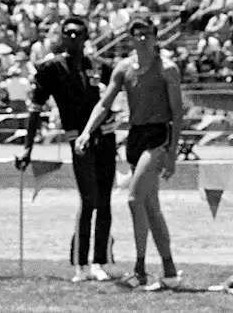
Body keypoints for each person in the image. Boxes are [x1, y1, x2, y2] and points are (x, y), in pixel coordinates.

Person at [75, 18, 183, 290]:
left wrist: (172, 153)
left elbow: (178, 114)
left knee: (134, 199)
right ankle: (169, 271)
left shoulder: (167, 70)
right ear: (131, 39)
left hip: (158, 135)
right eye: (138, 35)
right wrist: (88, 130)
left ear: (156, 37)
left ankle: (140, 269)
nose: (143, 39)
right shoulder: (123, 69)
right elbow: (104, 102)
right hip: (135, 137)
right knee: (151, 207)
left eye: (147, 34)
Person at [16, 17, 116, 283]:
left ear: (86, 38)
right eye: (67, 33)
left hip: (105, 136)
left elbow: (121, 90)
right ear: (61, 37)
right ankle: (81, 264)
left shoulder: (101, 66)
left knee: (105, 201)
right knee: (89, 200)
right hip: (77, 138)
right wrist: (28, 147)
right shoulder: (49, 69)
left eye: (78, 34)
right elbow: (35, 109)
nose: (72, 38)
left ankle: (99, 261)